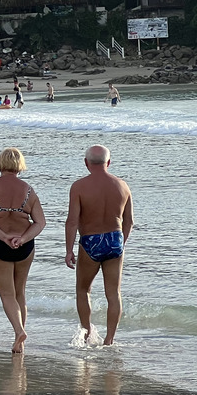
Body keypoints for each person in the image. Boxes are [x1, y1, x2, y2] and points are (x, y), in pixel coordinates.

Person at [0, 147, 46, 354]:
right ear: (19, 165)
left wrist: (3, 236)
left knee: (7, 294)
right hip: (24, 246)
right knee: (20, 293)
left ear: (0, 163)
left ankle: (19, 331)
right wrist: (22, 238)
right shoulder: (29, 190)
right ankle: (20, 341)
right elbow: (40, 222)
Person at [65, 145, 134, 345]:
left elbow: (72, 221)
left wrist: (69, 250)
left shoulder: (79, 187)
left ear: (86, 163)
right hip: (114, 240)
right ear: (108, 163)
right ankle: (109, 339)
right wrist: (121, 244)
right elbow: (129, 221)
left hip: (90, 241)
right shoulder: (122, 185)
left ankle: (87, 334)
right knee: (113, 293)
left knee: (83, 290)